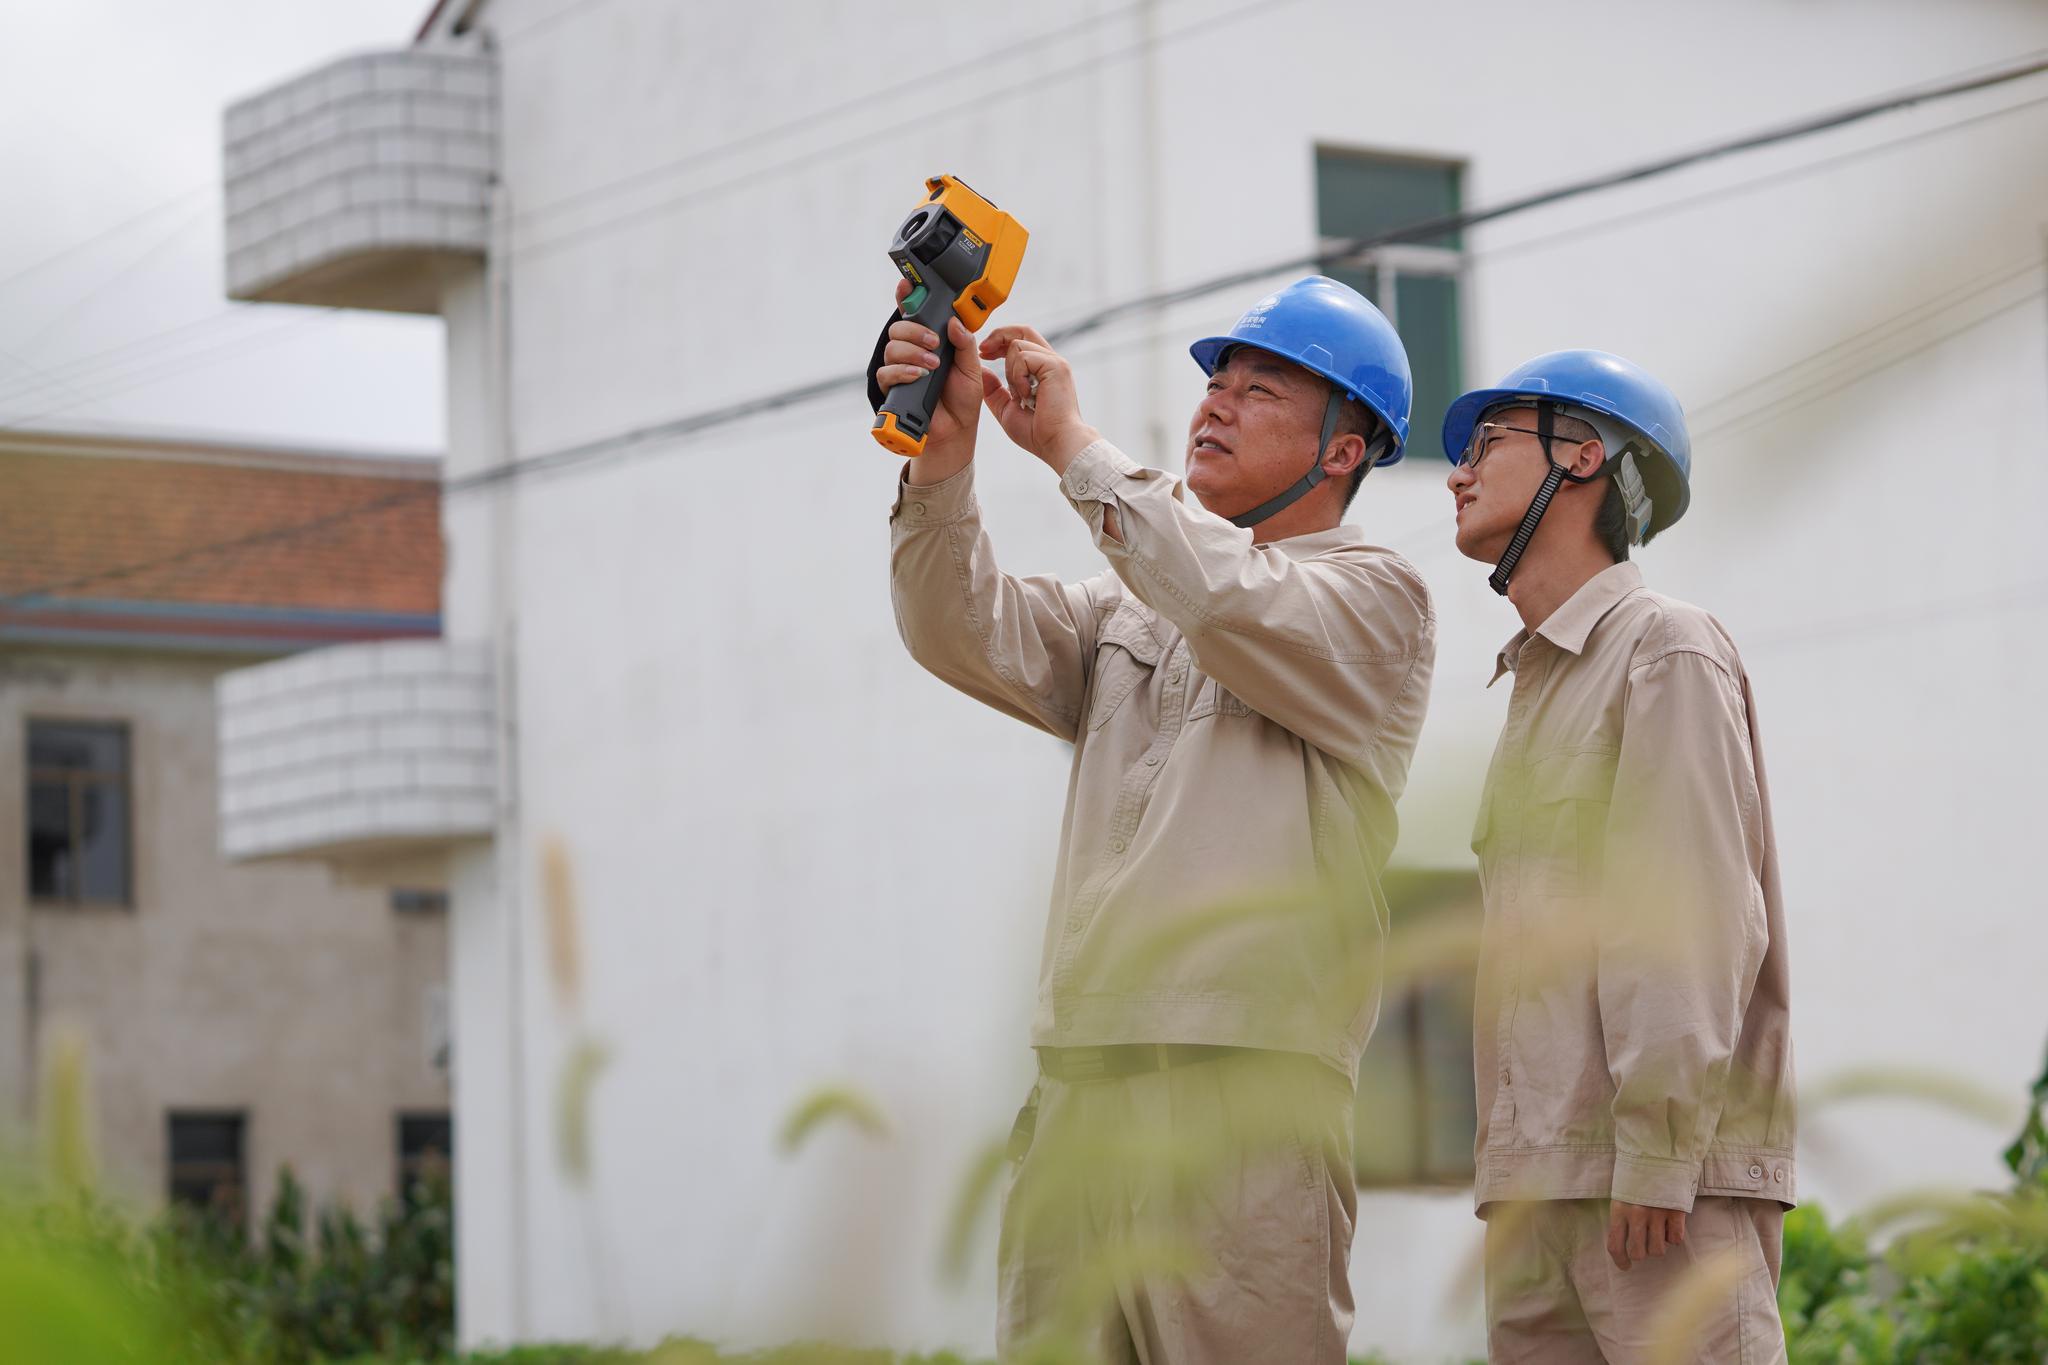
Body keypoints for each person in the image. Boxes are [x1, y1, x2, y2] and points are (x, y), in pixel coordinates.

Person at [874, 275, 1436, 1362]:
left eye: (1260, 388)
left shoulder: (1375, 599)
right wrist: (942, 461)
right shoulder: (1131, 600)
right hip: (1079, 1094)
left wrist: (1073, 446)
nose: (1213, 405)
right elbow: (955, 626)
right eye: (1214, 381)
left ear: (1343, 451)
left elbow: (1225, 597)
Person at [1443, 351, 1796, 1362]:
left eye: (1488, 441)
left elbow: (1689, 911)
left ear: (1583, 455)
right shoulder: (1533, 686)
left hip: (1652, 1192)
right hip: (1534, 1188)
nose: (1457, 472)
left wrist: (1653, 1148)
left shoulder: (1662, 646)